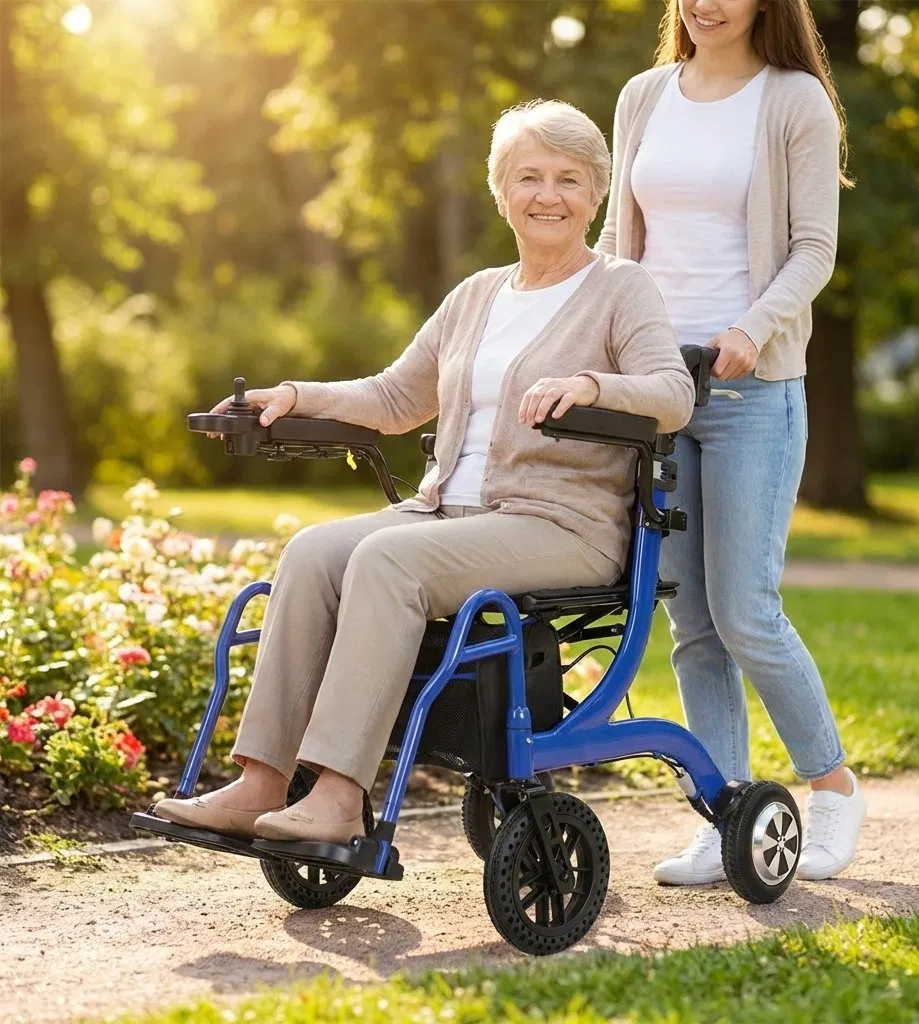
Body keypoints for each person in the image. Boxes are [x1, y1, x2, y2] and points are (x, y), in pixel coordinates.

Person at [154, 100, 695, 845]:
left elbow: (673, 394)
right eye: (529, 177)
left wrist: (595, 386)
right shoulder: (477, 295)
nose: (548, 196)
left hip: (559, 525)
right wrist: (294, 397)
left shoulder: (620, 289)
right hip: (446, 514)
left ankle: (341, 796)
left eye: (569, 180)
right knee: (311, 554)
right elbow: (393, 396)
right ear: (500, 191)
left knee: (384, 560)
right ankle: (262, 781)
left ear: (597, 193)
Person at [596, 0, 866, 884]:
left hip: (751, 386)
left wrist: (750, 330)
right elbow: (617, 240)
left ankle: (832, 790)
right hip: (660, 389)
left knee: (746, 610)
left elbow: (814, 250)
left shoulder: (795, 101)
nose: (705, 1)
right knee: (692, 622)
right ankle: (726, 812)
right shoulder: (643, 95)